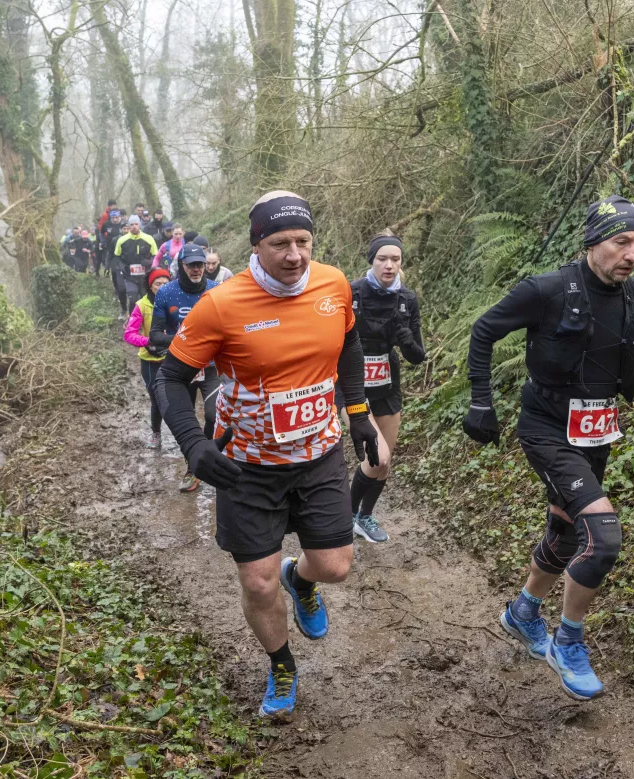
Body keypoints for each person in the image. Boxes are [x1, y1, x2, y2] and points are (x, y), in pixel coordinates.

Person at [153, 191, 385, 719]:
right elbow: (170, 378)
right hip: (246, 466)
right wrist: (193, 444)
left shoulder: (334, 285)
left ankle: (299, 579)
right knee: (257, 582)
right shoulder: (222, 304)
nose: (294, 255)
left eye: (303, 241)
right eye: (280, 243)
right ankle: (281, 664)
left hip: (319, 452)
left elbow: (350, 345)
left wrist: (357, 412)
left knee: (335, 566)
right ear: (256, 244)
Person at [464, 196, 634, 700]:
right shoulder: (546, 290)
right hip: (547, 427)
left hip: (596, 432)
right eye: (621, 242)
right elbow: (484, 331)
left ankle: (523, 612)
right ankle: (567, 642)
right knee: (603, 538)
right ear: (592, 242)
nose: (632, 254)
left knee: (567, 532)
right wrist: (481, 401)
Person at [339, 233, 425, 543]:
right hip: (352, 385)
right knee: (380, 457)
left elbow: (418, 356)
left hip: (387, 385)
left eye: (395, 259)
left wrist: (406, 339)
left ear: (401, 263)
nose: (389, 265)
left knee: (385, 465)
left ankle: (364, 517)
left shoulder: (406, 300)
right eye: (382, 259)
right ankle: (347, 516)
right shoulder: (351, 292)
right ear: (372, 261)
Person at [148, 244, 219, 492]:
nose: (197, 269)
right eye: (191, 265)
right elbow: (155, 335)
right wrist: (186, 340)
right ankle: (193, 466)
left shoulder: (217, 290)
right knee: (186, 422)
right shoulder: (166, 292)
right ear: (181, 266)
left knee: (213, 415)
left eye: (200, 264)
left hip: (211, 367)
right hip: (181, 369)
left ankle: (206, 458)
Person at [124, 267, 172, 448]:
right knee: (156, 398)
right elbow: (129, 334)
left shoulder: (176, 301)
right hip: (150, 361)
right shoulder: (142, 305)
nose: (161, 287)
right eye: (157, 284)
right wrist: (148, 341)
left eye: (165, 284)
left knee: (178, 398)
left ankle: (184, 436)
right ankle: (156, 434)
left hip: (173, 358)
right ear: (150, 286)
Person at [112, 215, 158, 314]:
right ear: (129, 226)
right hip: (129, 276)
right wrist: (122, 266)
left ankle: (145, 319)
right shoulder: (122, 240)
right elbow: (117, 256)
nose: (134, 226)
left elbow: (156, 256)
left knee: (145, 299)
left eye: (136, 224)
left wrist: (150, 262)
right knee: (133, 299)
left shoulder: (149, 238)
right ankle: (132, 319)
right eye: (132, 224)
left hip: (145, 275)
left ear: (139, 225)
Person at [98, 209, 125, 282]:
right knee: (114, 270)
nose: (115, 219)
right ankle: (116, 285)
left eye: (116, 217)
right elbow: (101, 233)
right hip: (111, 250)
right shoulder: (106, 224)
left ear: (119, 216)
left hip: (123, 250)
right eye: (113, 218)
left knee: (122, 269)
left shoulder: (124, 224)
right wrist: (103, 242)